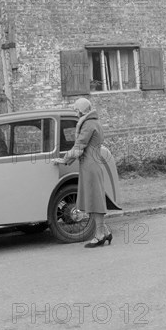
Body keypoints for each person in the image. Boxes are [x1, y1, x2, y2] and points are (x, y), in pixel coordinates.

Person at [53, 98, 112, 248]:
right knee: (93, 200)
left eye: (76, 109)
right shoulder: (94, 122)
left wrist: (64, 160)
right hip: (92, 164)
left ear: (82, 110)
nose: (75, 112)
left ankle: (99, 236)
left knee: (95, 202)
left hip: (90, 166)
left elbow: (79, 148)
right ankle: (105, 231)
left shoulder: (88, 124)